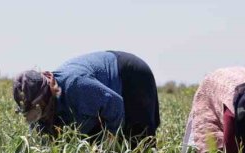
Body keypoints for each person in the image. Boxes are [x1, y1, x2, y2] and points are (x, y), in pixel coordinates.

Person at [13, 51, 160, 147]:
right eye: (31, 116)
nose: (37, 119)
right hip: (98, 96)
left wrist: (109, 147)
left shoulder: (75, 86)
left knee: (138, 142)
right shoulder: (38, 111)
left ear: (47, 96)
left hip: (129, 74)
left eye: (38, 111)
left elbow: (115, 105)